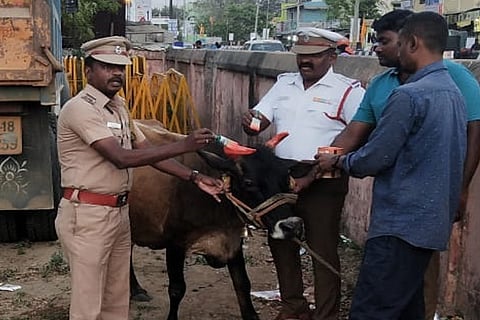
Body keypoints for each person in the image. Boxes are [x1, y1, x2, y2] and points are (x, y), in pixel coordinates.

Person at [55, 36, 223, 320]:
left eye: (121, 67)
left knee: (116, 301)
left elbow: (148, 151)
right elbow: (120, 156)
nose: (117, 73)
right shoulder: (79, 109)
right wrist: (185, 145)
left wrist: (193, 176)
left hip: (119, 213)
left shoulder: (118, 106)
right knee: (88, 305)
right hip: (87, 215)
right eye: (108, 66)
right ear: (88, 71)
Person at [329, 10, 480, 319]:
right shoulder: (451, 92)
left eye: (395, 44)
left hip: (399, 222)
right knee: (408, 308)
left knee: (373, 309)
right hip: (429, 222)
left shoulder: (408, 95)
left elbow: (375, 158)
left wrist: (339, 161)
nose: (392, 51)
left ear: (411, 43)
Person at [241, 27, 365, 320]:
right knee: (280, 240)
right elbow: (261, 119)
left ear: (332, 56)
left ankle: (326, 313)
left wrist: (330, 162)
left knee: (322, 248)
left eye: (314, 56)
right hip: (281, 176)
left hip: (323, 178)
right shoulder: (285, 84)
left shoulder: (348, 90)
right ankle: (293, 306)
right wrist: (250, 121)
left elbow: (359, 132)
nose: (305, 61)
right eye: (301, 55)